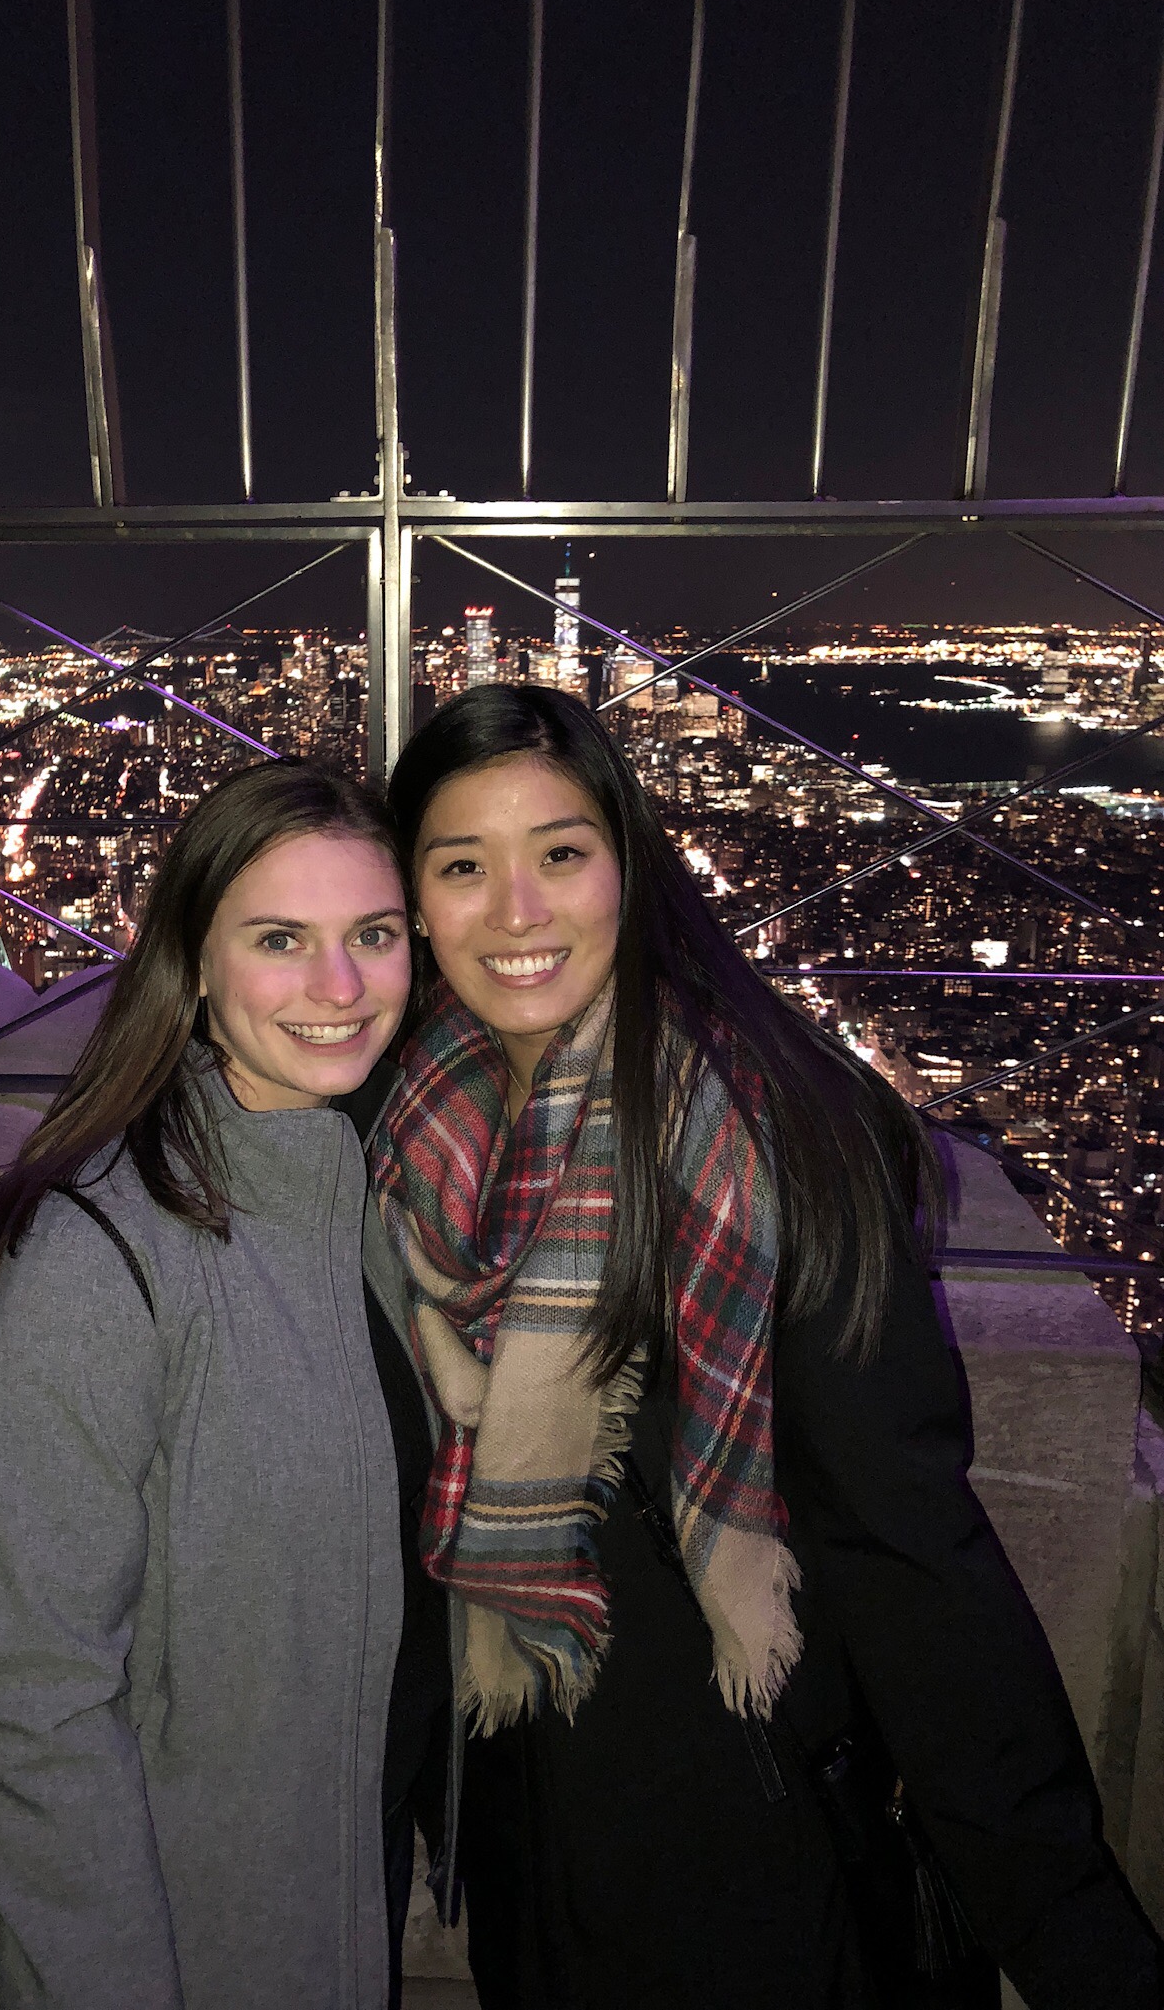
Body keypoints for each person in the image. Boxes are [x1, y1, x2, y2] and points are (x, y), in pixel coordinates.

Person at [371, 683, 1163, 2010]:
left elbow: (907, 1547)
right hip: (513, 1817)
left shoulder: (773, 1131)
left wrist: (1073, 1932)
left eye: (559, 853)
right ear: (412, 896)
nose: (515, 910)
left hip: (737, 1835)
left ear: (628, 863)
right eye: (463, 865)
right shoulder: (405, 1124)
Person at [0, 760, 448, 2010]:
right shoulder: (86, 1260)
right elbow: (24, 1706)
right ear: (194, 965)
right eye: (281, 940)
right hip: (144, 1932)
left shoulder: (368, 1198)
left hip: (318, 1886)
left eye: (372, 935)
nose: (339, 988)